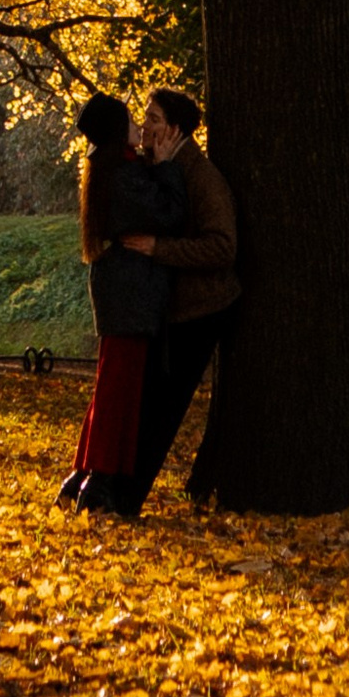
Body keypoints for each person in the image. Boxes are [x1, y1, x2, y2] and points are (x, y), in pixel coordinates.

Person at [57, 93, 184, 516]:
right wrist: (166, 166)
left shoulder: (114, 169)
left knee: (111, 385)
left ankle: (87, 473)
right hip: (131, 294)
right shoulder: (123, 175)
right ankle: (100, 479)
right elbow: (168, 214)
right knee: (119, 388)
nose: (139, 127)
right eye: (132, 121)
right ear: (117, 131)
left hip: (122, 292)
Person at [113, 87, 238, 516]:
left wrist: (157, 248)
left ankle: (127, 501)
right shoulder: (161, 166)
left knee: (162, 411)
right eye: (145, 118)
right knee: (144, 407)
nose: (145, 126)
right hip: (167, 310)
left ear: (174, 129)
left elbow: (222, 247)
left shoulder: (202, 177)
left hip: (201, 310)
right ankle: (118, 496)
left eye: (153, 119)